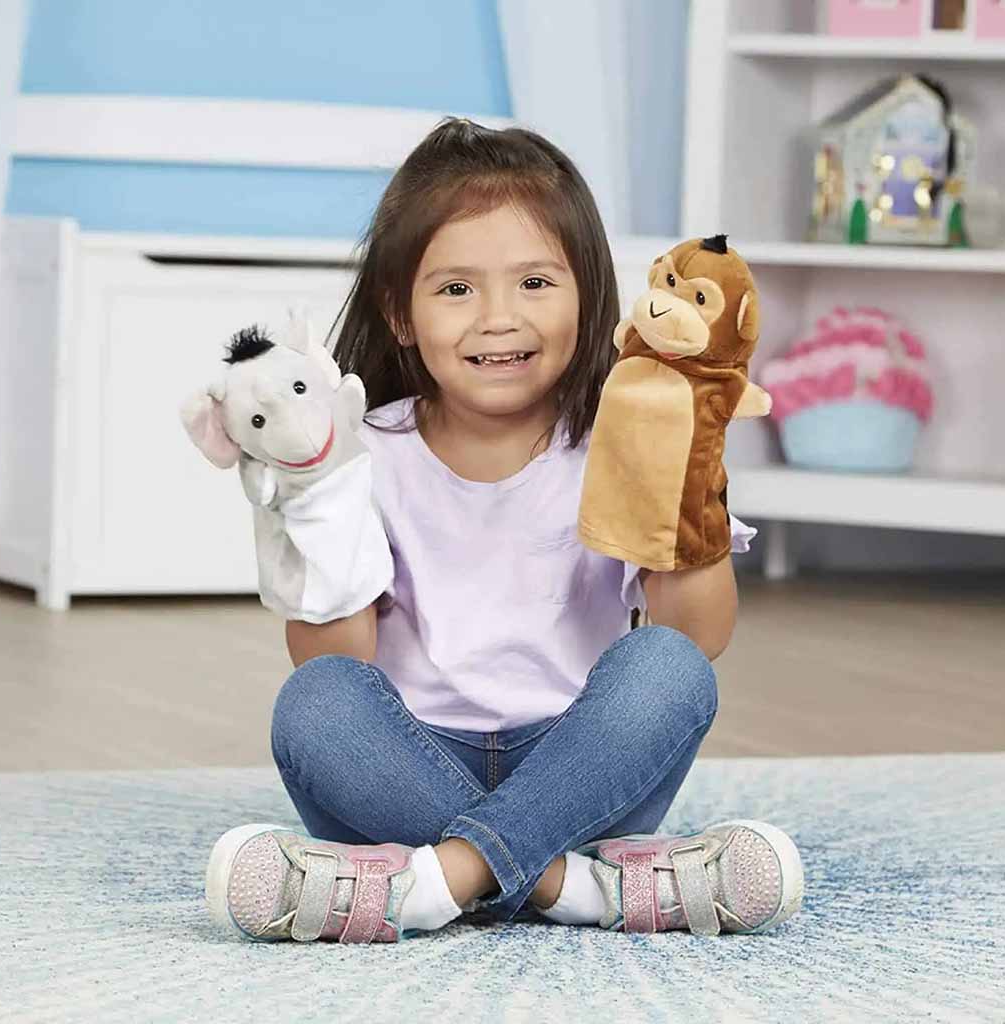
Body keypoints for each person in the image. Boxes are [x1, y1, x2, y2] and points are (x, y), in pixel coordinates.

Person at [203, 118, 804, 945]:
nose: (497, 319)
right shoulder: (362, 452)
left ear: (589, 295)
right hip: (405, 769)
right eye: (456, 289)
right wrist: (315, 500)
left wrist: (688, 476)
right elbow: (333, 658)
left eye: (534, 283)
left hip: (583, 773)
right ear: (401, 314)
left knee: (669, 669)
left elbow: (698, 635)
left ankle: (428, 885)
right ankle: (580, 889)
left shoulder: (624, 437)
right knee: (315, 705)